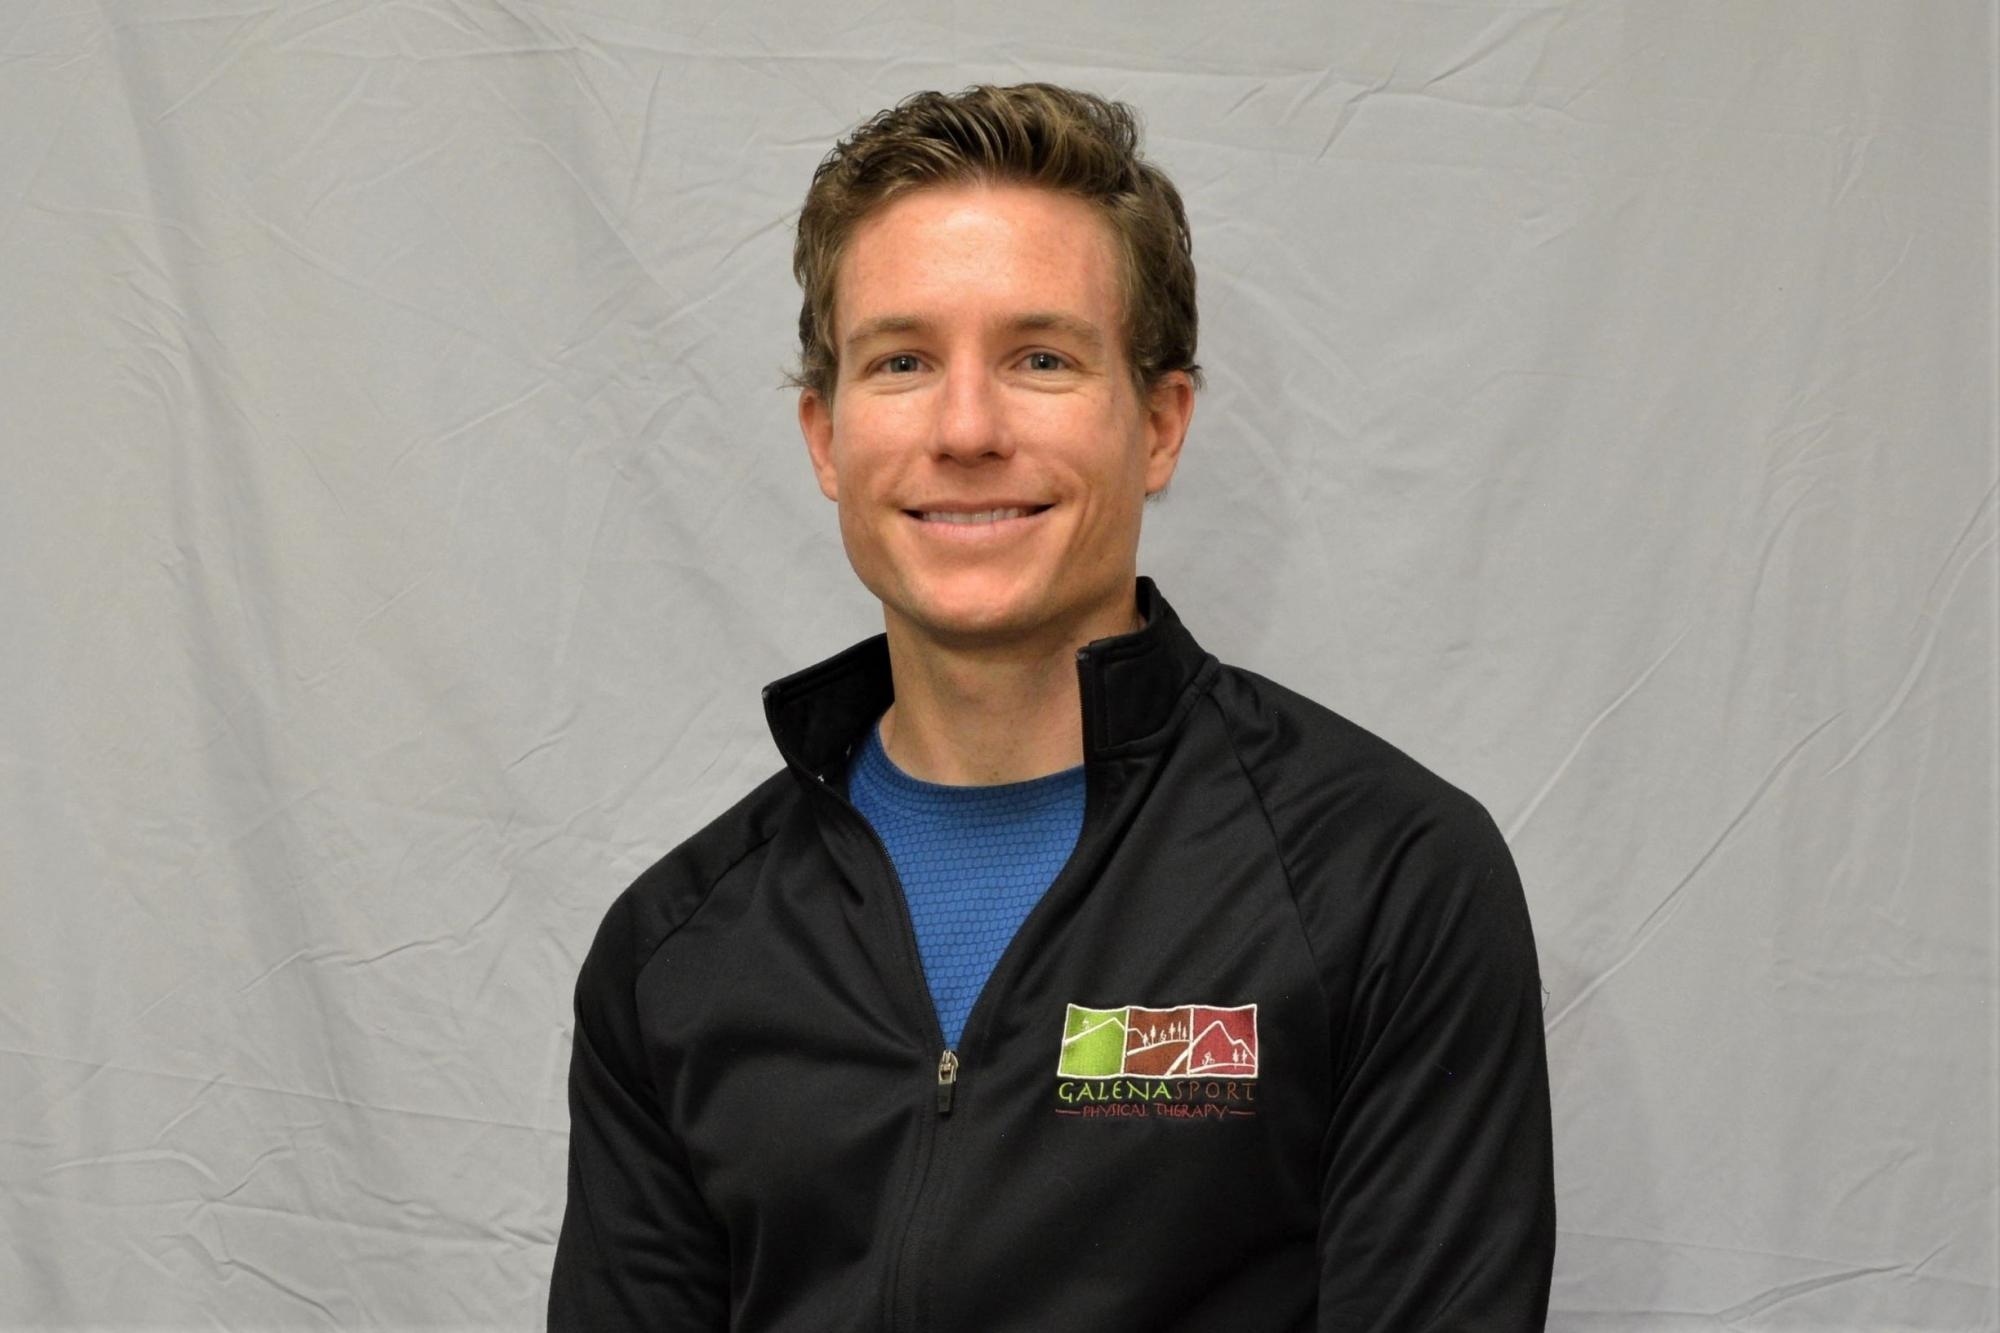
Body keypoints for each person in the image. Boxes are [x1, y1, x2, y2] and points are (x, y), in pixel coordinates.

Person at [549, 83, 1555, 1331]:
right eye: (902, 362)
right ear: (825, 437)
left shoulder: (1382, 880)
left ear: (1159, 424)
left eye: (1039, 359)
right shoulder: (675, 952)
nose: (966, 429)